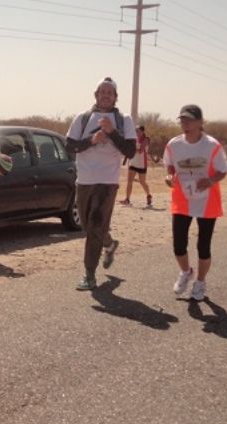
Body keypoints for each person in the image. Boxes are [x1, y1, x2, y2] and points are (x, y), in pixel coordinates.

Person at [65, 77, 136, 291]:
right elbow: (69, 146)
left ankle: (89, 274)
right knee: (88, 226)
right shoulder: (83, 118)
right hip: (85, 179)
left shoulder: (124, 120)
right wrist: (91, 141)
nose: (106, 95)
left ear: (115, 97)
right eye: (102, 92)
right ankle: (109, 243)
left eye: (110, 92)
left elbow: (131, 151)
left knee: (95, 226)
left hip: (108, 180)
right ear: (95, 95)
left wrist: (112, 132)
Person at [163, 105, 227, 301]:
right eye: (182, 120)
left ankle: (200, 282)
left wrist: (210, 180)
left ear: (201, 122)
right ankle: (186, 272)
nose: (185, 124)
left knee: (203, 245)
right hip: (182, 199)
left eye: (190, 120)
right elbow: (169, 164)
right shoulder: (174, 144)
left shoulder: (212, 145)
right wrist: (169, 175)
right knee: (178, 244)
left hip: (207, 201)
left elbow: (223, 169)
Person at [120, 125, 152, 207]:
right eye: (135, 131)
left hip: (142, 164)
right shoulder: (134, 139)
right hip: (133, 163)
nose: (136, 132)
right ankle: (127, 199)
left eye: (138, 131)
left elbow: (141, 151)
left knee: (142, 182)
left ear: (142, 131)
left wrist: (132, 148)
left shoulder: (146, 139)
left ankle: (148, 195)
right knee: (129, 181)